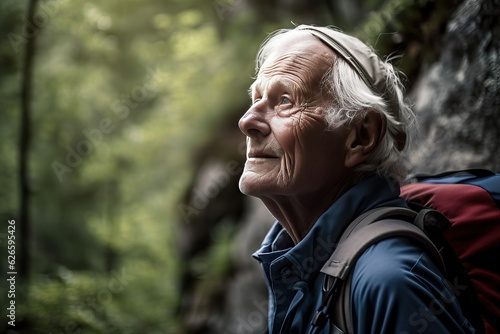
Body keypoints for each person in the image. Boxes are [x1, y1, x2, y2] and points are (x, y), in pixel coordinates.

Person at [237, 25, 476, 333]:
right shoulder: (303, 264)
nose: (247, 122)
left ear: (361, 136)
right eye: (256, 98)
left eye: (284, 100)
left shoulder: (388, 282)